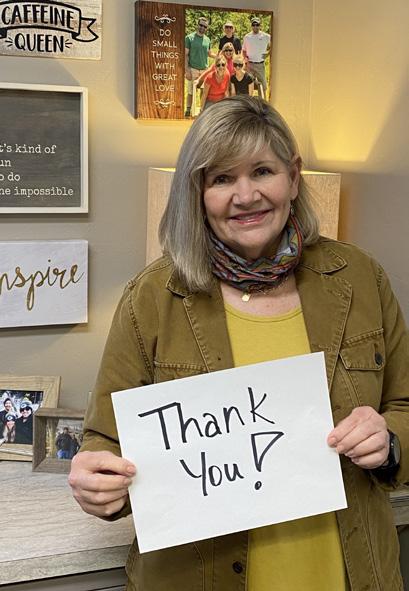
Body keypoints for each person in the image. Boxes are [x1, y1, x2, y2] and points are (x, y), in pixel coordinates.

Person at [69, 96, 409, 591]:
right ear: (198, 193)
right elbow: (105, 442)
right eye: (222, 179)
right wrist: (97, 484)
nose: (245, 195)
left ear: (294, 177)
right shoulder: (151, 298)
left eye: (263, 171)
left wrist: (389, 439)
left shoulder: (359, 278)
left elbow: (404, 406)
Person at [184, 17, 215, 117]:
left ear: (207, 28)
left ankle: (202, 111)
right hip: (192, 68)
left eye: (205, 26)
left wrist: (219, 56)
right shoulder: (189, 38)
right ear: (197, 25)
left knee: (204, 91)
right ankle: (188, 110)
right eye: (201, 25)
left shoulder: (207, 39)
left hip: (204, 70)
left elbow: (209, 53)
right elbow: (185, 55)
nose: (202, 27)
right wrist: (187, 70)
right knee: (191, 91)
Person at [242, 17, 271, 99]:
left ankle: (263, 103)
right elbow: (244, 50)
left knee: (263, 87)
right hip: (249, 65)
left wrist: (268, 53)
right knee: (247, 85)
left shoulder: (266, 36)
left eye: (257, 25)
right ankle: (248, 103)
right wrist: (245, 58)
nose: (255, 26)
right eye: (253, 25)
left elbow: (274, 45)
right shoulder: (247, 37)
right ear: (251, 26)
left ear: (260, 25)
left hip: (260, 65)